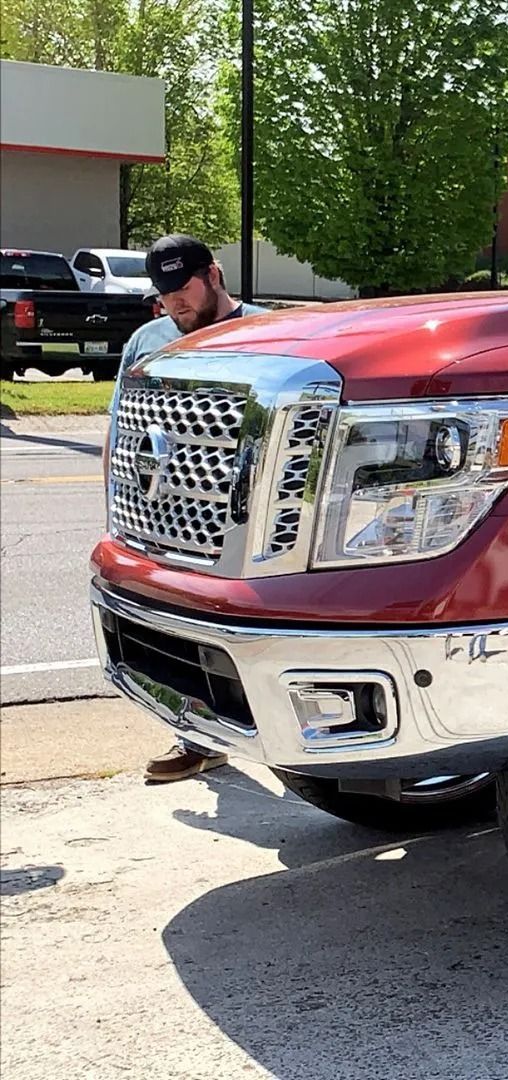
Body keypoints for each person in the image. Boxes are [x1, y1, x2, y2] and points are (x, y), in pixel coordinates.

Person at [121, 234, 270, 783]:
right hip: (166, 512)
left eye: (181, 288)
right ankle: (198, 735)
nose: (173, 304)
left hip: (240, 513)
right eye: (162, 294)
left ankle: (279, 736)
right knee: (176, 630)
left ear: (213, 274)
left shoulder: (267, 332)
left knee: (247, 630)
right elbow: (125, 427)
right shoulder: (148, 339)